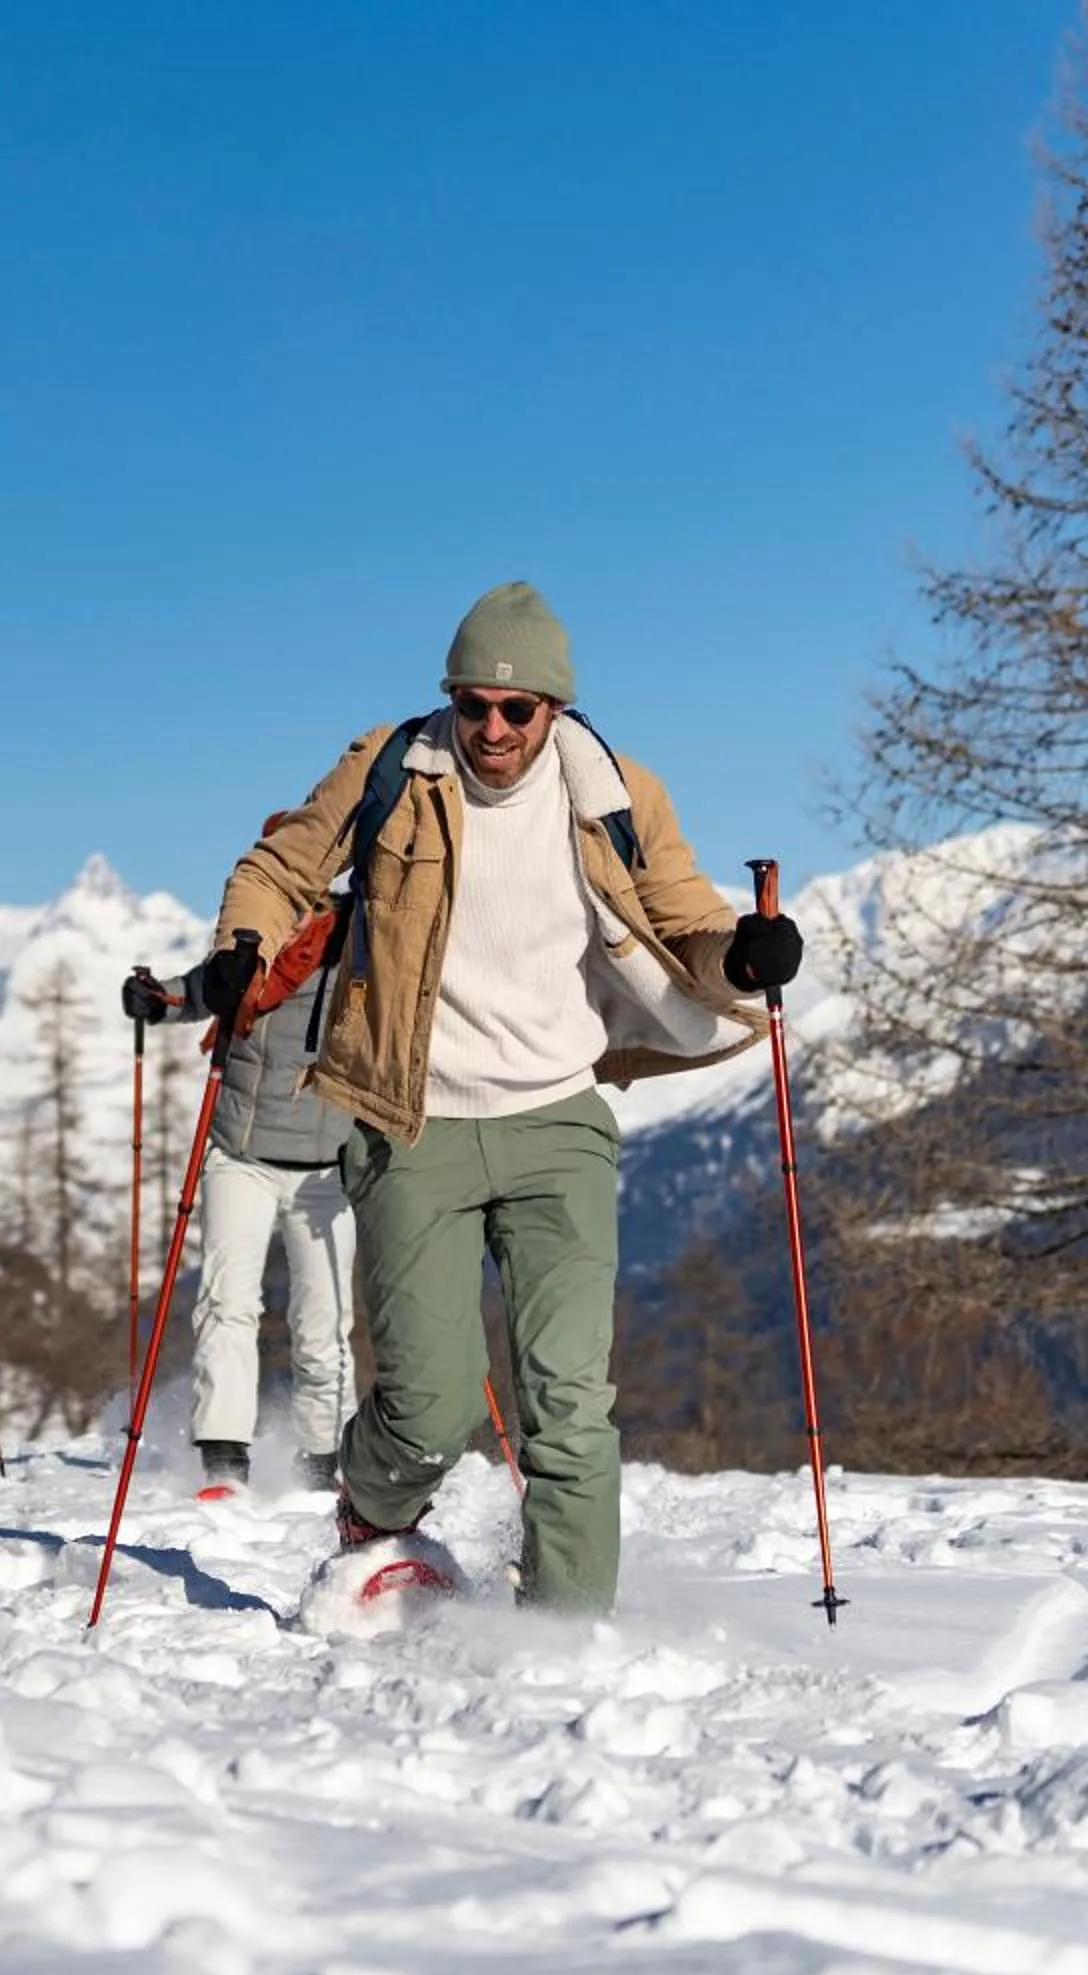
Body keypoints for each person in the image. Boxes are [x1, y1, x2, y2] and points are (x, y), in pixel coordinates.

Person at [201, 580, 803, 1613]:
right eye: (474, 702)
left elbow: (686, 917)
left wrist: (743, 959)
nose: (493, 727)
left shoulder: (614, 791)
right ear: (451, 695)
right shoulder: (394, 766)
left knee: (567, 1400)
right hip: (411, 1124)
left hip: (557, 1121)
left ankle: (564, 1634)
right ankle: (373, 1505)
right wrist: (240, 945)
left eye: (517, 709)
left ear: (555, 709)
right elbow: (281, 865)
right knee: (429, 1403)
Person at [123, 861, 354, 1498]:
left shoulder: (354, 952)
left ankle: (321, 1458)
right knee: (227, 1302)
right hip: (240, 1154)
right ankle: (224, 1460)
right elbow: (198, 991)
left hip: (328, 1164)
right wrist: (156, 997)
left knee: (324, 1319)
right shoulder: (243, 956)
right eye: (281, 899)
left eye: (304, 896)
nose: (293, 910)